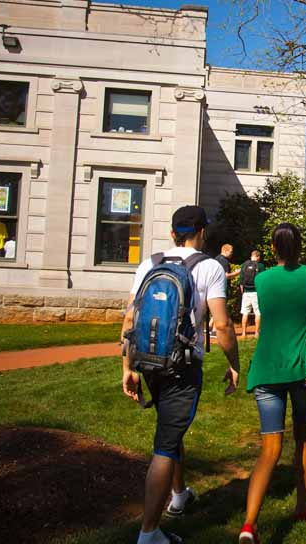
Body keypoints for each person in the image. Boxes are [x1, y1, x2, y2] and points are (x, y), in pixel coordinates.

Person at [121, 205, 241, 544]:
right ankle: (149, 534)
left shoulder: (150, 263)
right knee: (165, 445)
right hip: (183, 367)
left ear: (173, 232)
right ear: (202, 232)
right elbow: (222, 324)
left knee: (171, 432)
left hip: (149, 361)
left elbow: (130, 319)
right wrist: (234, 364)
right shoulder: (210, 268)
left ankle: (179, 494)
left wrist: (127, 367)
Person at [238, 223, 306, 544]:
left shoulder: (262, 279)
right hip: (302, 370)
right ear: (300, 246)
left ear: (274, 249)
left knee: (269, 449)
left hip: (266, 369)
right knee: (303, 438)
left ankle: (249, 524)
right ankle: (302, 504)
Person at [211, 244, 239, 335]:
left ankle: (210, 326)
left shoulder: (216, 259)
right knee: (221, 309)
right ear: (225, 251)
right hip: (222, 287)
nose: (232, 254)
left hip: (214, 286)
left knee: (216, 308)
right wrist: (237, 273)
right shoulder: (224, 261)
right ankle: (215, 330)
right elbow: (226, 276)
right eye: (231, 252)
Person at [239, 250, 265, 339]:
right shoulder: (260, 266)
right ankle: (256, 333)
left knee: (245, 312)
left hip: (246, 292)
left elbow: (241, 281)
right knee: (258, 312)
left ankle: (243, 333)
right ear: (258, 257)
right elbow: (262, 280)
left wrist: (243, 291)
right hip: (256, 292)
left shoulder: (244, 265)